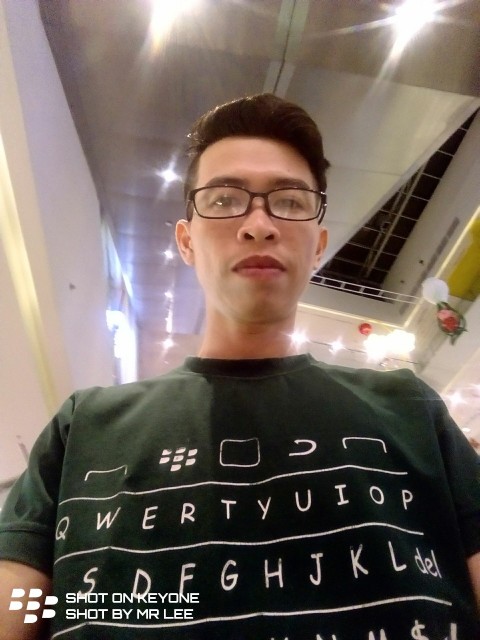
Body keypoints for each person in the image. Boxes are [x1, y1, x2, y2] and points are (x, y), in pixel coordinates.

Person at [0, 93, 479, 640]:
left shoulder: (410, 410)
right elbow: (20, 598)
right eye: (225, 200)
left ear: (318, 245)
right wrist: (130, 608)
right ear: (186, 242)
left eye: (290, 201)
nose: (258, 224)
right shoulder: (84, 425)